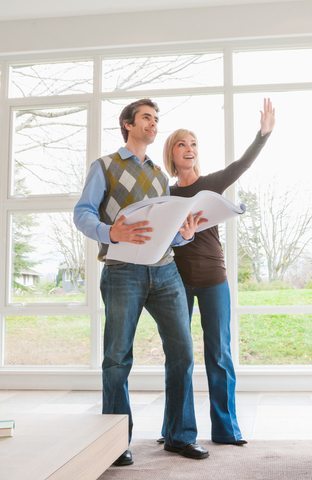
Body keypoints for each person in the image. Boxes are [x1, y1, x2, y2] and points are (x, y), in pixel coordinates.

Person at [74, 98, 210, 465]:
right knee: (117, 358)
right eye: (147, 118)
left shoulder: (159, 175)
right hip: (122, 271)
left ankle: (179, 436)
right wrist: (110, 232)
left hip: (165, 270)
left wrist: (183, 234)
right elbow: (82, 213)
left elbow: (163, 230)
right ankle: (115, 441)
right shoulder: (104, 166)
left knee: (182, 352)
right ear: (128, 124)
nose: (153, 124)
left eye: (156, 119)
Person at [160, 98, 275, 445]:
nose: (189, 148)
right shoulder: (164, 195)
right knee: (178, 357)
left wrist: (263, 135)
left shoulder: (211, 184)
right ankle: (173, 429)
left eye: (193, 143)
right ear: (172, 153)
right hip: (176, 282)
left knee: (219, 355)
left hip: (213, 280)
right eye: (182, 143)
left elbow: (242, 164)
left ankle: (226, 430)